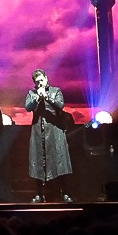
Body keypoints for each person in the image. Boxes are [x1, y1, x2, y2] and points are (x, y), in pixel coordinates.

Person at [23, 69, 74, 202]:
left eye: (41, 80)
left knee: (60, 161)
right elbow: (28, 107)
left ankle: (65, 193)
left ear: (46, 79)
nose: (40, 83)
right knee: (39, 161)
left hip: (55, 132)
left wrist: (46, 96)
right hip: (38, 133)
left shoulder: (55, 91)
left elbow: (60, 105)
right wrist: (38, 97)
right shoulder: (31, 93)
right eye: (37, 81)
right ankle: (40, 194)